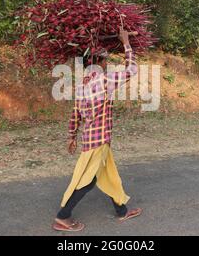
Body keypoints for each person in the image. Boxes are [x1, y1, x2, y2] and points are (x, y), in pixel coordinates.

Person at [52, 28, 143, 232]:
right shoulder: (104, 80)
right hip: (99, 140)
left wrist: (71, 137)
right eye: (105, 60)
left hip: (90, 138)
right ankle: (63, 216)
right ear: (99, 62)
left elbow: (75, 114)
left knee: (109, 175)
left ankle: (122, 211)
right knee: (88, 179)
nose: (107, 63)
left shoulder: (81, 86)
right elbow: (132, 70)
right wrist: (126, 43)